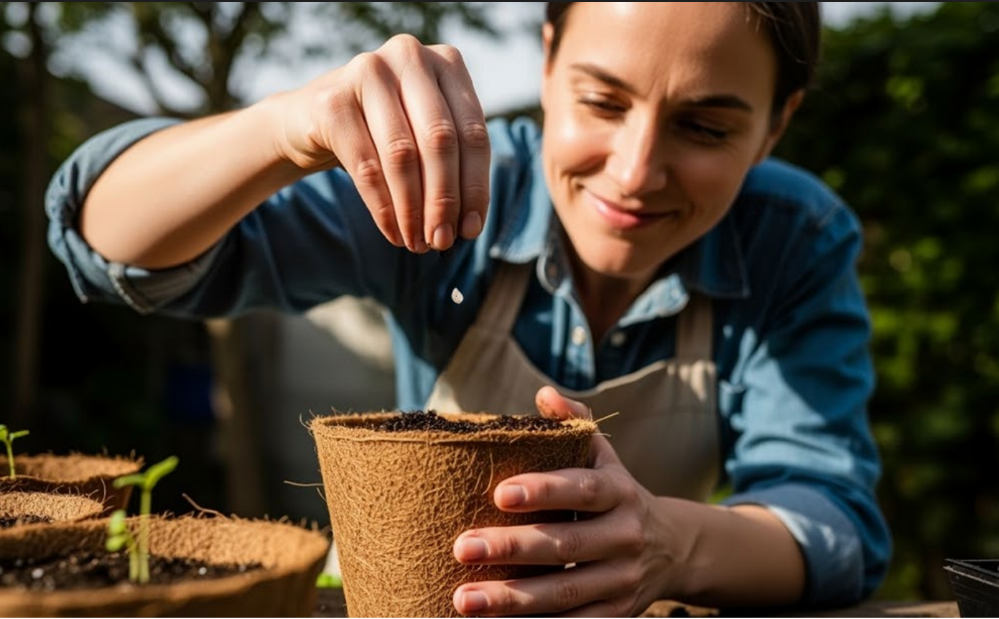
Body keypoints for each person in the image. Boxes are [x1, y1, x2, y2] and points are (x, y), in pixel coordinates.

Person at [46, 2, 891, 615]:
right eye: (601, 102)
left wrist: (673, 545)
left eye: (704, 127)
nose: (635, 172)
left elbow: (829, 518)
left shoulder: (793, 241)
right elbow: (113, 246)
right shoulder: (451, 190)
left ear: (777, 124)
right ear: (549, 59)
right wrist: (287, 128)